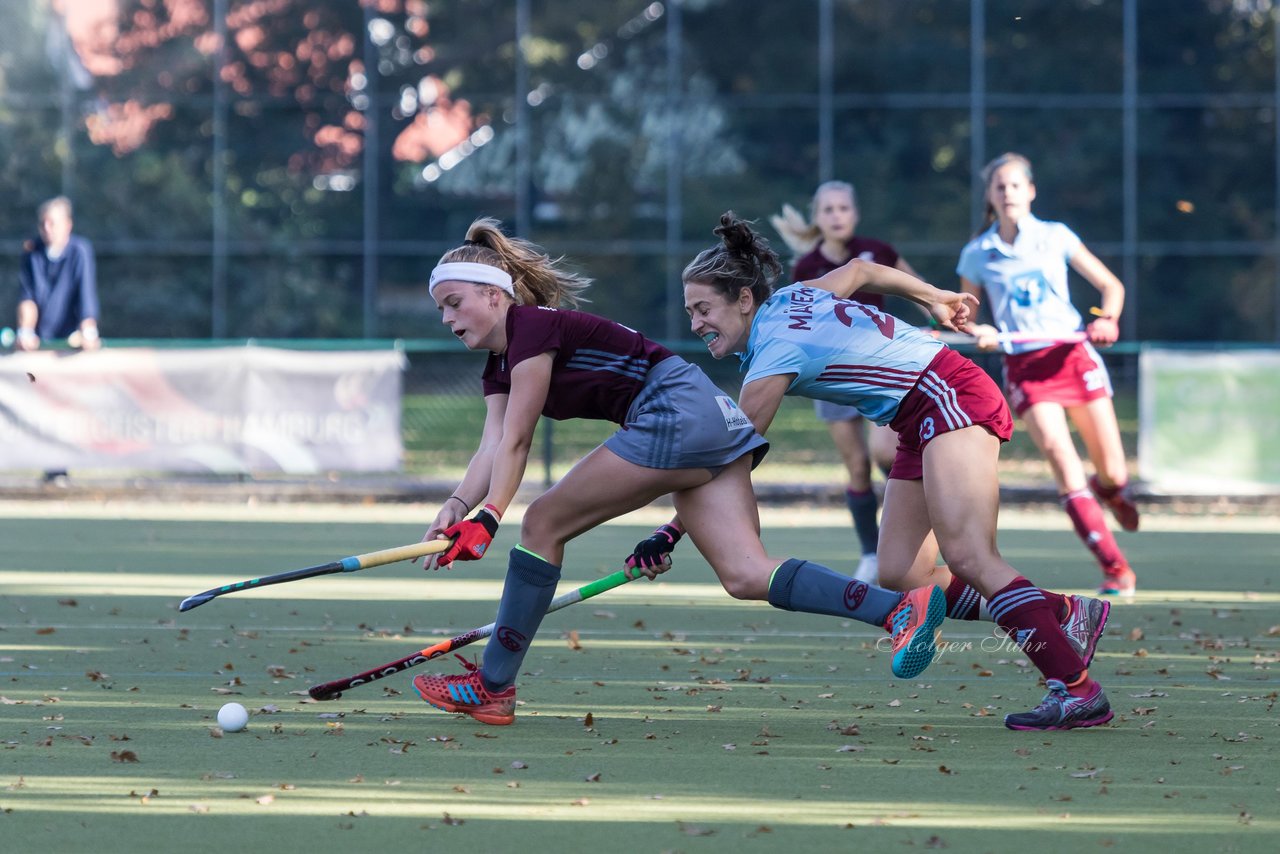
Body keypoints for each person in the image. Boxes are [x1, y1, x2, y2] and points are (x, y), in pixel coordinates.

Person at [409, 217, 946, 726]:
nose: (448, 318)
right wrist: (458, 508)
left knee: (543, 523)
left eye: (454, 303)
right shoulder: (499, 365)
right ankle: (899, 609)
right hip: (708, 415)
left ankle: (494, 685)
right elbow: (492, 445)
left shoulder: (529, 327)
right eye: (440, 310)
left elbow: (519, 440)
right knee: (744, 574)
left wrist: (492, 516)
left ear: (494, 295)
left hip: (670, 407)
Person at [659, 211, 1113, 731]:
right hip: (917, 415)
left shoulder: (773, 353)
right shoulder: (792, 298)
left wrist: (669, 530)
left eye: (703, 308)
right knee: (901, 571)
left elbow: (728, 460)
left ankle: (1077, 690)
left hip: (948, 395)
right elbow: (861, 271)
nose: (695, 324)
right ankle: (1060, 614)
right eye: (690, 311)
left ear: (744, 299)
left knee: (969, 556)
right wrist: (932, 296)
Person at [957, 152, 1138, 598]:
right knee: (1060, 455)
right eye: (999, 186)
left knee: (1114, 473)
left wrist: (1108, 320)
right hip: (1027, 368)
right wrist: (979, 331)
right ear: (990, 196)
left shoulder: (1056, 237)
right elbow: (965, 314)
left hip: (1074, 357)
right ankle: (1116, 569)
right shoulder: (977, 253)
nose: (1008, 193)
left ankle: (1109, 491)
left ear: (1030, 191)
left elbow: (1111, 287)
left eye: (1016, 185)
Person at [770, 181, 922, 584]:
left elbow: (917, 289)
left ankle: (902, 544)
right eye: (828, 210)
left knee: (886, 454)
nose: (837, 215)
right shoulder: (806, 270)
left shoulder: (878, 253)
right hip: (832, 377)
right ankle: (871, 554)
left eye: (843, 208)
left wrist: (943, 317)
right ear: (817, 218)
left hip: (881, 374)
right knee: (857, 469)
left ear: (854, 214)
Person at [17, 196, 101, 353]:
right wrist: (26, 332)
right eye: (43, 223)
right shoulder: (31, 252)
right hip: (40, 345)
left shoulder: (80, 251)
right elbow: (28, 298)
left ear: (67, 225)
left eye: (52, 223)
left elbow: (86, 296)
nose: (47, 228)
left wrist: (88, 333)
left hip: (72, 346)